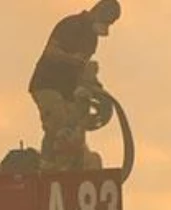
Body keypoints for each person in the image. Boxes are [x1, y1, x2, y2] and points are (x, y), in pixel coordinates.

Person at [28, 0, 122, 171]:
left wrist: (95, 87)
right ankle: (47, 167)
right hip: (47, 85)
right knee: (58, 125)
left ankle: (69, 169)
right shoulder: (71, 25)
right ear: (98, 11)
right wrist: (72, 59)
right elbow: (50, 52)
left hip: (68, 90)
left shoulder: (92, 39)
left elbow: (82, 69)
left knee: (74, 133)